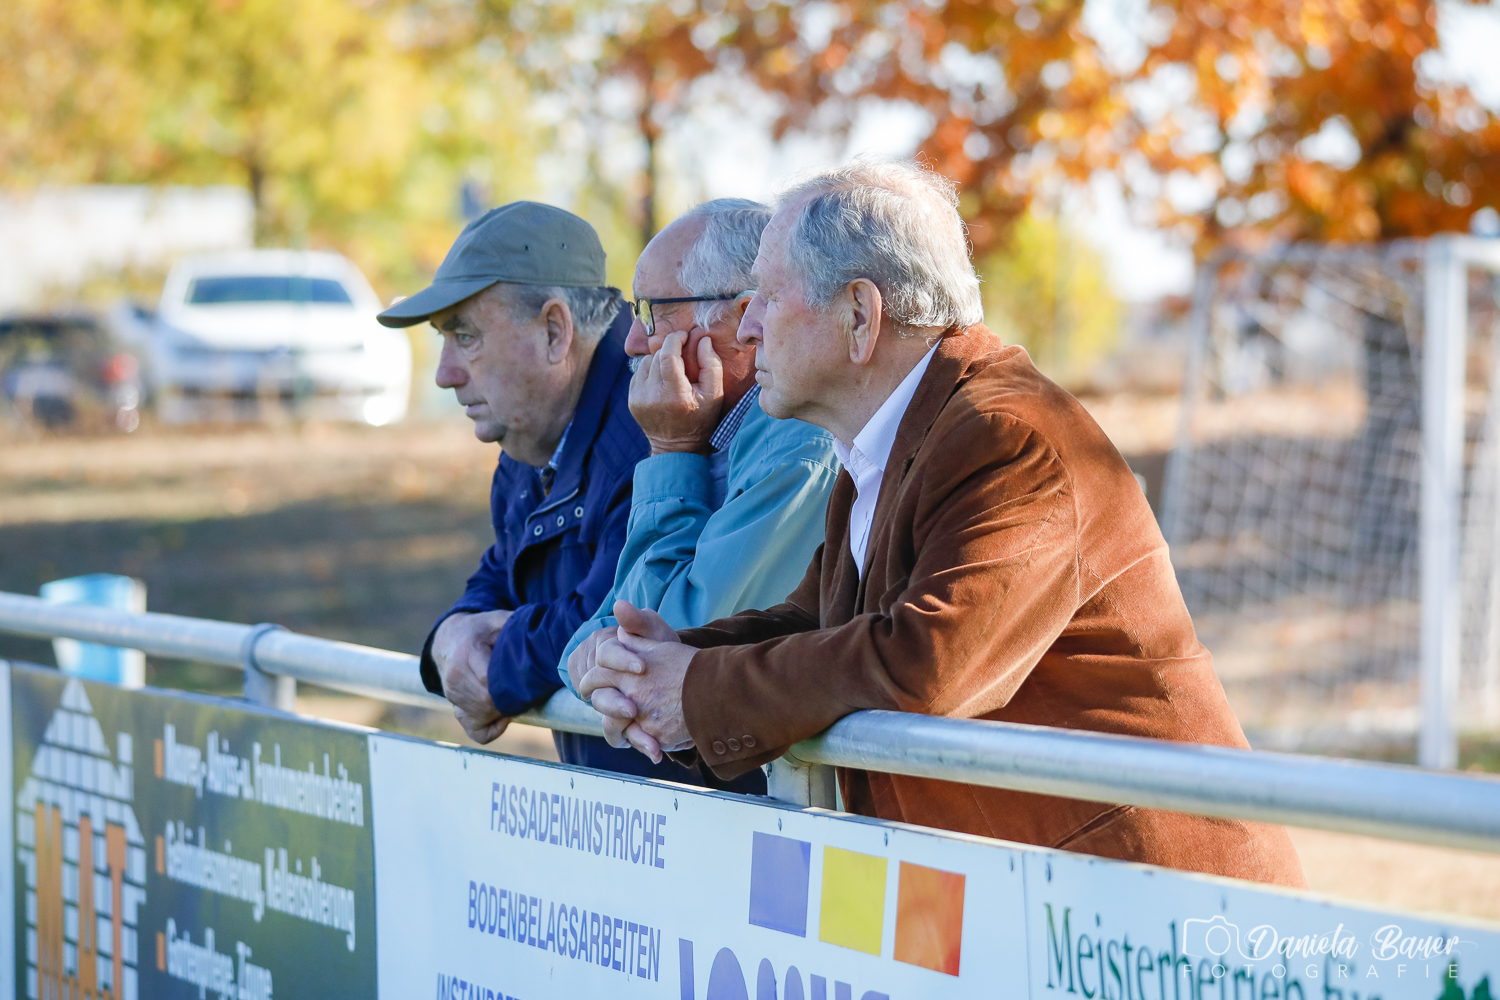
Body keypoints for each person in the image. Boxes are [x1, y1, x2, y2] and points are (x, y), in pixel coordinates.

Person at [571, 161, 1307, 886]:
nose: (750, 326)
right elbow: (818, 623)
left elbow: (924, 663)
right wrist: (663, 659)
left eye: (764, 295)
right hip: (1044, 902)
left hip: (1150, 918)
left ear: (861, 315)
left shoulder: (1009, 436)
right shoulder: (889, 440)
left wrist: (695, 688)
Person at [376, 200, 701, 781]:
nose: (445, 372)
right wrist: (450, 637)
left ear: (555, 331)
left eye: (465, 336)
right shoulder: (532, 439)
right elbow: (497, 577)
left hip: (695, 828)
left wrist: (497, 675)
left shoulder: (654, 428)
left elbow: (609, 621)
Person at [559, 199, 842, 794]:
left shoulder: (799, 446)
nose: (633, 341)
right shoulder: (714, 427)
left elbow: (671, 634)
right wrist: (590, 659)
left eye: (651, 312)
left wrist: (671, 453)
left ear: (742, 318)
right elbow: (602, 631)